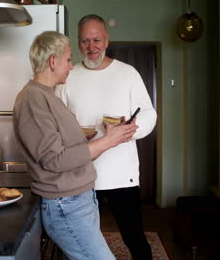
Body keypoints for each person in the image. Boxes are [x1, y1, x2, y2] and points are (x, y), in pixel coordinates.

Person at [12, 31, 138, 260]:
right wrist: (108, 140)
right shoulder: (33, 99)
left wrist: (103, 138)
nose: (71, 66)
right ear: (53, 61)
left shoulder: (46, 96)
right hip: (66, 205)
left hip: (75, 201)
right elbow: (54, 160)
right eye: (68, 59)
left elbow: (63, 150)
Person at [55, 14, 157, 260]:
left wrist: (130, 129)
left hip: (122, 172)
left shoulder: (128, 73)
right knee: (78, 238)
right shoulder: (69, 75)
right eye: (85, 41)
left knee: (134, 237)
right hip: (81, 173)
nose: (91, 47)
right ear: (78, 43)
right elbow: (57, 118)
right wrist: (72, 133)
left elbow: (148, 113)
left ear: (107, 40)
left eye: (96, 40)